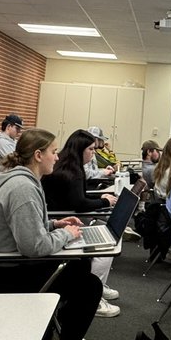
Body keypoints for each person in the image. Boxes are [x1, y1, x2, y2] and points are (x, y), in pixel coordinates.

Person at [0, 128, 104, 340]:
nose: (57, 157)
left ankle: (60, 338)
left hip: (10, 265)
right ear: (38, 155)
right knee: (89, 286)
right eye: (53, 152)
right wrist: (65, 234)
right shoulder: (23, 187)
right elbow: (33, 247)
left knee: (80, 266)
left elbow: (28, 227)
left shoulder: (24, 181)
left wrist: (54, 224)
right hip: (6, 274)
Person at [42, 128, 120, 317]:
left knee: (106, 232)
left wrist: (101, 198)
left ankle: (97, 287)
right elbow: (80, 204)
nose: (93, 153)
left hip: (61, 218)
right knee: (107, 244)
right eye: (91, 149)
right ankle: (95, 292)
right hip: (63, 220)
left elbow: (78, 199)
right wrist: (104, 202)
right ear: (80, 149)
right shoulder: (73, 171)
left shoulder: (68, 166)